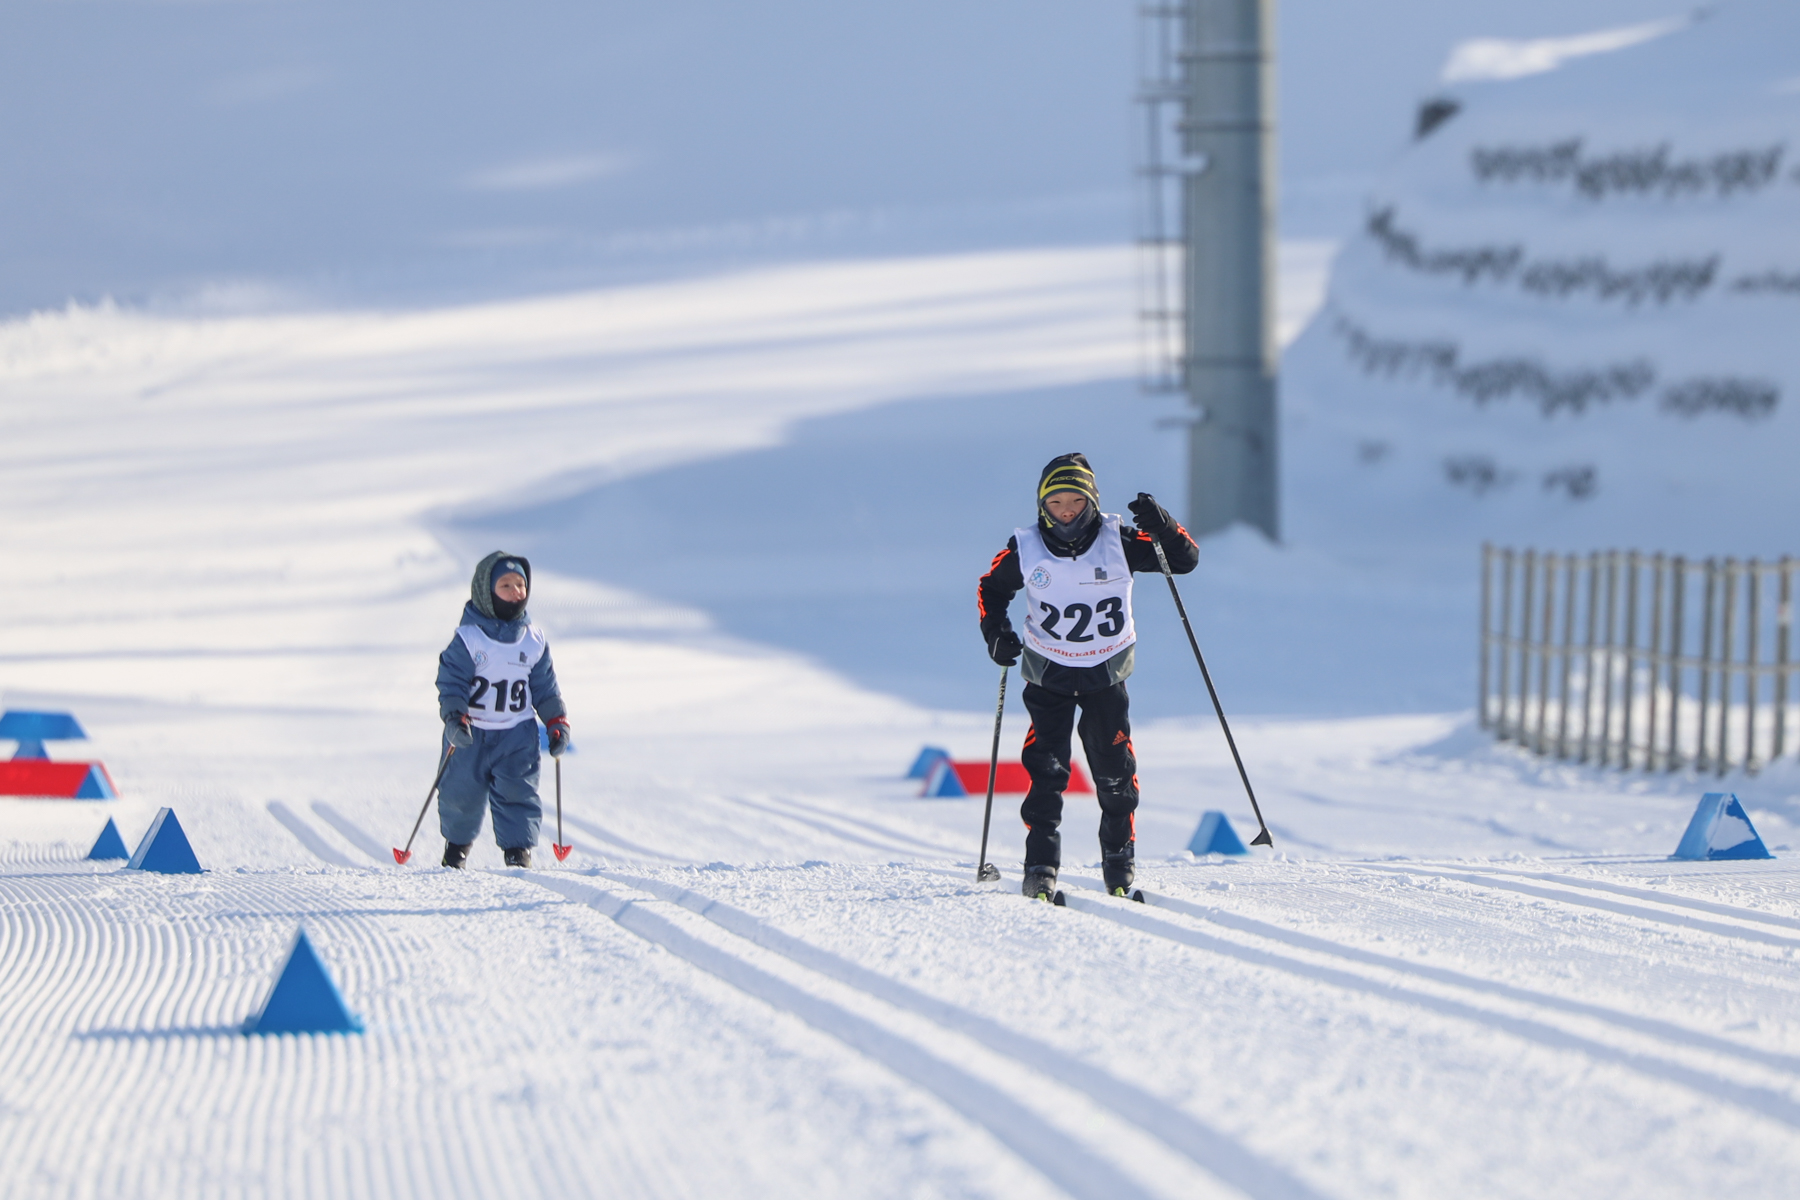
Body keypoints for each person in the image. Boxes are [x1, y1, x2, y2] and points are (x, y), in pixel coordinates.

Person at [976, 453, 1198, 900]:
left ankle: (1119, 863)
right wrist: (995, 634)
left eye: (1075, 500)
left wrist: (1164, 526)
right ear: (1043, 505)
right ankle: (1040, 866)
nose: (1066, 511)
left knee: (1115, 776)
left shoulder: (1119, 540)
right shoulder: (1026, 547)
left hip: (1106, 674)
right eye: (1055, 502)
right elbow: (991, 590)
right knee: (1047, 773)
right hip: (1048, 675)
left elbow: (1184, 561)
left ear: (1091, 500)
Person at [434, 552, 571, 869]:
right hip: (471, 733)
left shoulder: (533, 640)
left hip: (516, 735)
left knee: (518, 791)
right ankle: (456, 850)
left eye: (520, 585)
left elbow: (545, 687)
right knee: (460, 793)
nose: (515, 592)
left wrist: (556, 721)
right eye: (506, 585)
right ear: (486, 591)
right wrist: (454, 716)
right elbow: (451, 682)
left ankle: (518, 854)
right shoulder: (468, 639)